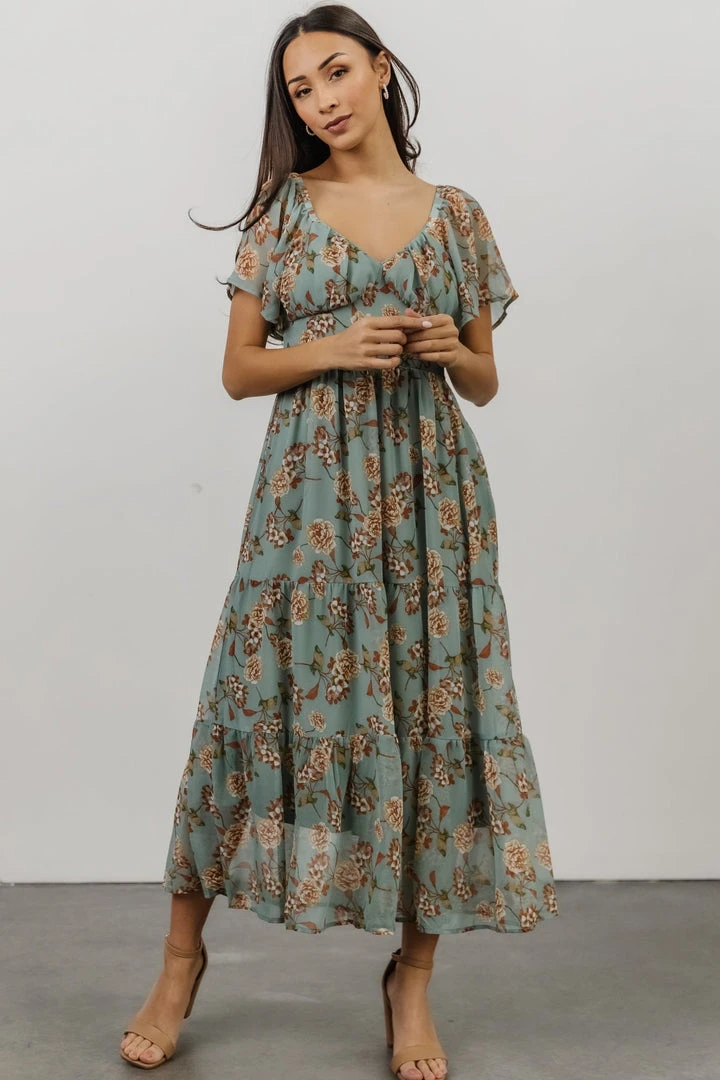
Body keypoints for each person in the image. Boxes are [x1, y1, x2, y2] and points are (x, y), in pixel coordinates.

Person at [120, 3, 560, 1076]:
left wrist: (452, 347)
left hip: (433, 501)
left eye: (336, 72)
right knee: (250, 698)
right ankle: (179, 964)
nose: (322, 99)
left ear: (381, 68)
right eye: (301, 89)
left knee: (434, 711)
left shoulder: (458, 216)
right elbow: (239, 370)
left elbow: (485, 383)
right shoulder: (283, 212)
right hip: (309, 498)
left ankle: (413, 983)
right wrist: (330, 347)